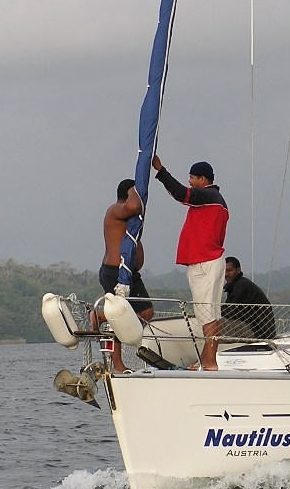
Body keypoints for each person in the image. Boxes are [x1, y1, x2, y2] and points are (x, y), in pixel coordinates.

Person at [152, 155, 229, 371]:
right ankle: (207, 359)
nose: (190, 181)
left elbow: (180, 193)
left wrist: (160, 171)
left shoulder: (208, 196)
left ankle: (211, 363)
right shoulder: (215, 199)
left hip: (204, 262)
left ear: (204, 179)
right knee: (212, 314)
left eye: (193, 178)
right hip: (211, 261)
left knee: (206, 315)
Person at [99, 178, 155, 374]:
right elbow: (133, 205)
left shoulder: (132, 219)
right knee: (117, 316)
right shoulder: (115, 210)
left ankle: (106, 317)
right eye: (134, 194)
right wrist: (137, 191)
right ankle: (100, 317)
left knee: (147, 312)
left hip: (129, 272)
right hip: (114, 270)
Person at [222, 256, 276, 340]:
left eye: (229, 270)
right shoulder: (236, 285)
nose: (226, 274)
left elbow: (231, 312)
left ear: (238, 270)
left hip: (257, 331)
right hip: (261, 329)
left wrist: (215, 311)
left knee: (212, 325)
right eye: (224, 271)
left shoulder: (241, 286)